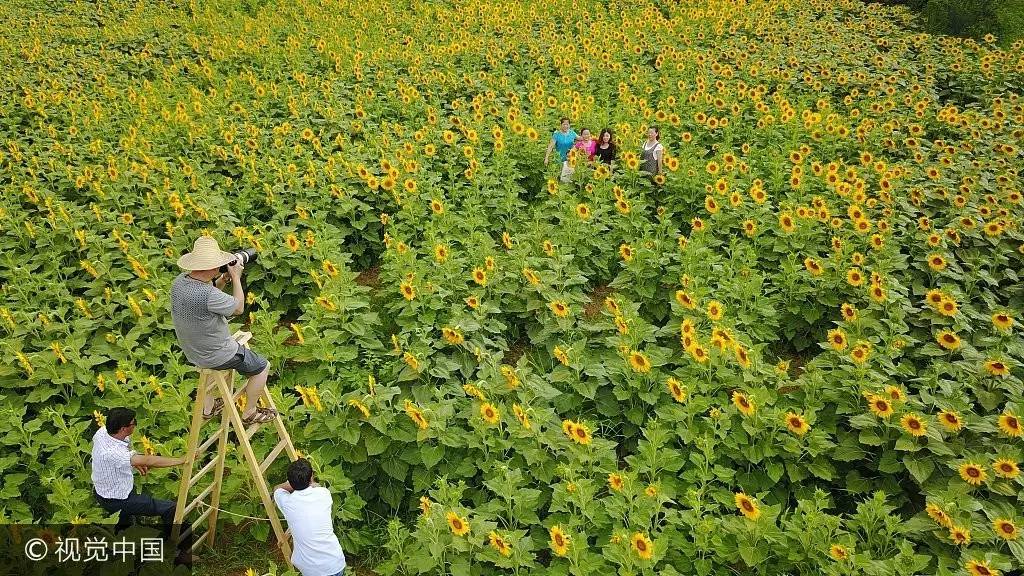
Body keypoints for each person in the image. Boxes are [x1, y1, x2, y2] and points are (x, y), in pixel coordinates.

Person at [171, 236, 276, 425]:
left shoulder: (180, 282)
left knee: (211, 367)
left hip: (193, 351)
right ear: (212, 266)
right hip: (216, 354)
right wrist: (236, 277)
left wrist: (223, 279)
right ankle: (249, 412)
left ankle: (208, 407)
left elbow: (207, 299)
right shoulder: (208, 294)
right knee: (262, 367)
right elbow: (238, 308)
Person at [92, 407, 186, 537]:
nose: (135, 424)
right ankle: (171, 545)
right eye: (133, 423)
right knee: (170, 508)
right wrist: (181, 460)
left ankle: (123, 537)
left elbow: (125, 455)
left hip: (107, 490)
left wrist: (133, 461)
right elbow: (149, 460)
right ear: (123, 429)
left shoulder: (103, 432)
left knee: (124, 523)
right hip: (116, 499)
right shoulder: (112, 453)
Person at [274, 459, 347, 576]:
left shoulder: (287, 502)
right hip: (336, 564)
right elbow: (316, 486)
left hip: (312, 571)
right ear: (311, 476)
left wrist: (288, 484)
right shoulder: (324, 494)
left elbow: (277, 489)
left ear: (290, 481)